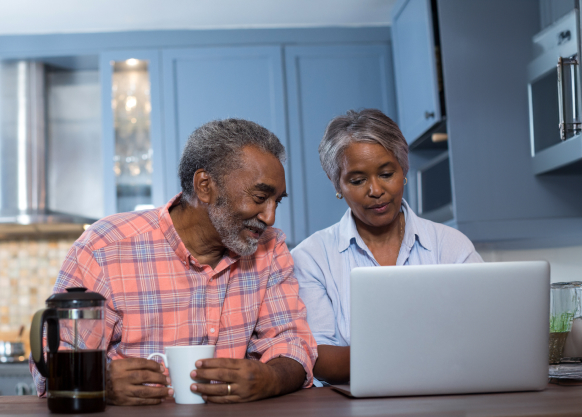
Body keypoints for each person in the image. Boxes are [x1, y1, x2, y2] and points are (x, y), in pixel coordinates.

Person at [30, 119, 317, 404]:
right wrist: (98, 381)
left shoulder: (270, 247)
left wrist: (271, 379)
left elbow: (293, 344)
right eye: (260, 197)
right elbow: (50, 361)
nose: (270, 217)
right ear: (205, 186)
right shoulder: (105, 247)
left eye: (277, 201)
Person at [291, 109, 482, 385]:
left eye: (386, 173)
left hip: (444, 395)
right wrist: (423, 352)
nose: (375, 190)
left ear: (403, 170)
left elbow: (483, 332)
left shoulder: (450, 245)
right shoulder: (312, 258)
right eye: (357, 180)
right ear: (337, 185)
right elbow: (319, 358)